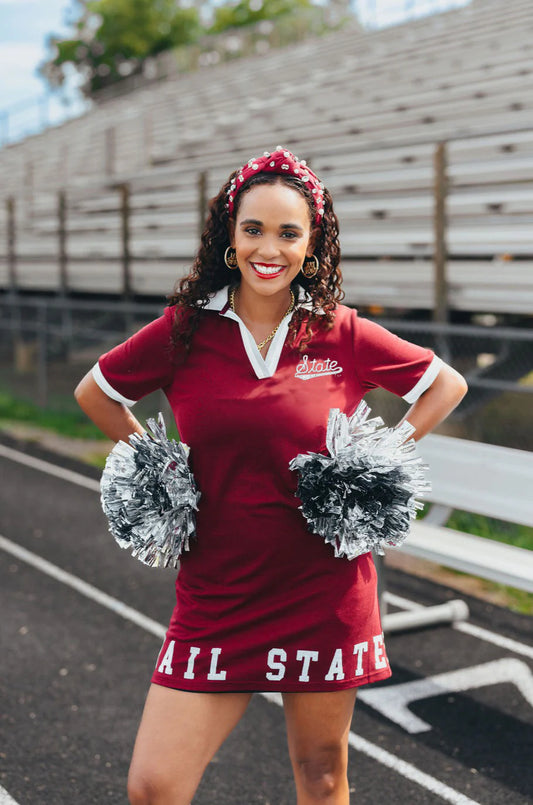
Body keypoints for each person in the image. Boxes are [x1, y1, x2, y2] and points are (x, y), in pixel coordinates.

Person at [74, 146, 467, 805]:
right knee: (153, 786)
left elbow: (442, 384)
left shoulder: (339, 332)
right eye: (253, 228)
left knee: (319, 774)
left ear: (311, 244)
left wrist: (378, 457)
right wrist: (156, 461)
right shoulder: (184, 331)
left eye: (288, 232)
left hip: (323, 589)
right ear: (229, 237)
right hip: (218, 591)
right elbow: (96, 392)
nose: (269, 248)